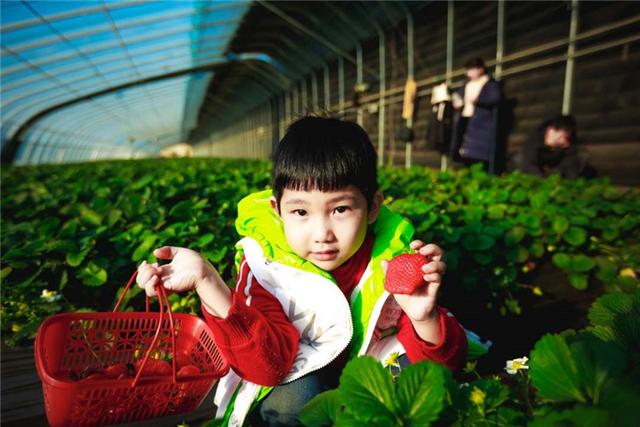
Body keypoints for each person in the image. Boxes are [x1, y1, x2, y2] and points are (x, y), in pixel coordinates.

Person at [136, 117, 472, 426]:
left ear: (372, 207)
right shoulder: (267, 269)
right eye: (300, 212)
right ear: (277, 210)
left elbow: (445, 368)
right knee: (298, 400)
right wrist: (207, 281)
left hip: (368, 374)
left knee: (420, 380)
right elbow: (267, 367)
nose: (321, 233)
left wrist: (424, 317)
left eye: (340, 209)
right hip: (293, 376)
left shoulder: (390, 262)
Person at [450, 58, 502, 169]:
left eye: (471, 69)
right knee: (461, 146)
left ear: (480, 69)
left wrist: (478, 100)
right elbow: (457, 96)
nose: (468, 73)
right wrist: (457, 101)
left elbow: (495, 98)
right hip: (465, 118)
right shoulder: (466, 84)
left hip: (481, 121)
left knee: (478, 152)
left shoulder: (489, 83)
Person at [518, 115, 593, 178]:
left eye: (566, 138)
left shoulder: (568, 142)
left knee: (582, 159)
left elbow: (571, 167)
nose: (564, 141)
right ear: (551, 131)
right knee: (519, 160)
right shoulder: (533, 139)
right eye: (561, 137)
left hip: (555, 164)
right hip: (536, 165)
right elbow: (529, 165)